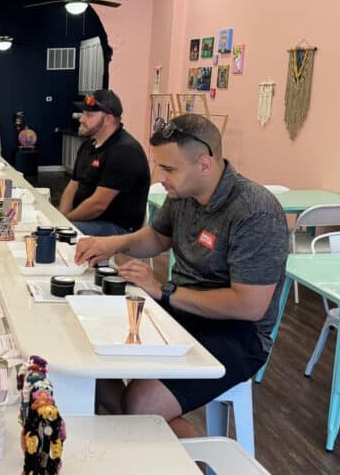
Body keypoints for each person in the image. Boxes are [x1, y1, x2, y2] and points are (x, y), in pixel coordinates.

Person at [74, 114, 288, 438]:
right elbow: (158, 238)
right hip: (183, 311)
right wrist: (110, 245)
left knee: (141, 405)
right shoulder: (183, 195)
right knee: (86, 362)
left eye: (168, 169)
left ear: (204, 163)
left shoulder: (255, 212)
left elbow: (249, 306)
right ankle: (152, 439)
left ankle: (186, 456)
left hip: (238, 334)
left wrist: (164, 290)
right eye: (159, 166)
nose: (159, 178)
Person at [58, 89, 150, 236]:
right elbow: (73, 186)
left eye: (89, 115)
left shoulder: (124, 151)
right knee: (50, 230)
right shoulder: (88, 146)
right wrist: (59, 219)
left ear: (108, 119)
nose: (81, 119)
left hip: (116, 227)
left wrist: (65, 222)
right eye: (83, 113)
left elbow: (98, 205)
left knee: (58, 235)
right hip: (87, 220)